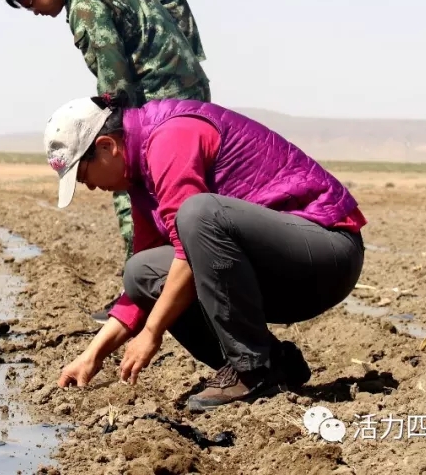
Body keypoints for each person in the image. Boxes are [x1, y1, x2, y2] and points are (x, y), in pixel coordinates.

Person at [45, 93, 366, 411]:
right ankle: (273, 365)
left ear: (106, 147)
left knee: (198, 214)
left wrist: (153, 331)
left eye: (83, 176)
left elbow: (188, 249)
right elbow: (143, 287)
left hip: (325, 253)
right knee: (141, 273)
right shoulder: (139, 180)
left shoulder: (169, 138)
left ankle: (252, 368)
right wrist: (92, 355)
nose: (90, 187)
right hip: (273, 268)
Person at [2, 0, 210, 323]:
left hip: (158, 105)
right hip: (190, 93)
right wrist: (186, 57)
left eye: (31, 2)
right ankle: (184, 281)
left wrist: (114, 124)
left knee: (126, 186)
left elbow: (113, 81)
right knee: (189, 191)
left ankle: (140, 295)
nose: (35, 12)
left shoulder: (83, 5)